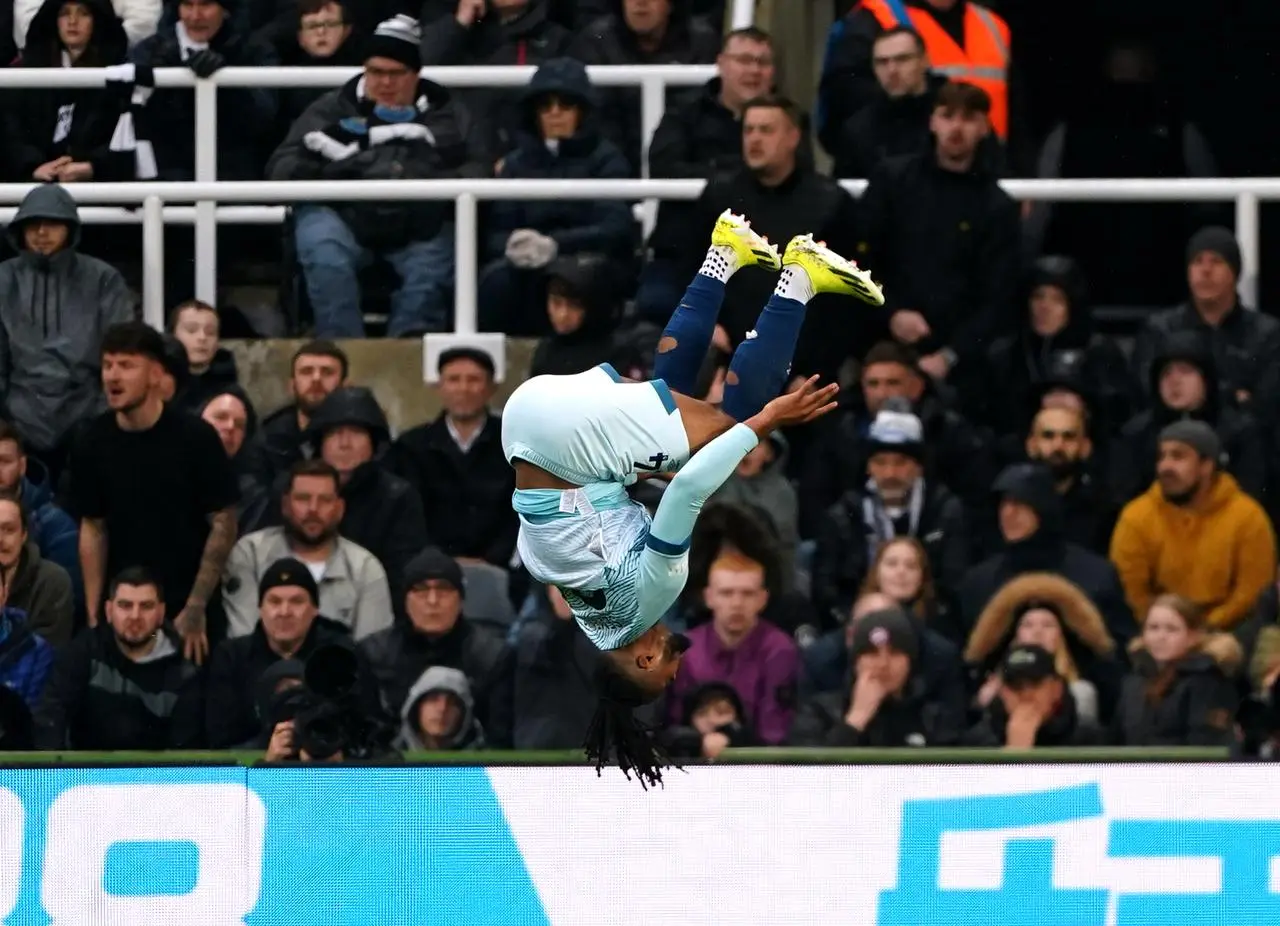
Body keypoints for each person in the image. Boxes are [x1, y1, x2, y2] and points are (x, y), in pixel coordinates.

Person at [502, 210, 883, 786]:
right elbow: (557, 521)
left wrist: (765, 423)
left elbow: (686, 492)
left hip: (568, 441)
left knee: (728, 424)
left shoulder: (646, 599)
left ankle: (799, 278)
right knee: (679, 411)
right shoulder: (584, 608)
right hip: (527, 426)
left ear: (645, 660)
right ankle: (724, 253)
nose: (680, 670)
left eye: (667, 677)